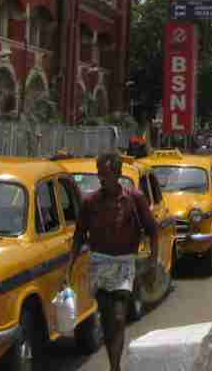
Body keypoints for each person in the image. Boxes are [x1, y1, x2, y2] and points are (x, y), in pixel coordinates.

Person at [70, 152, 157, 371]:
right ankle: (114, 364)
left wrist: (153, 264)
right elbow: (79, 234)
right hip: (99, 264)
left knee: (119, 318)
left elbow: (152, 230)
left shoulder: (134, 199)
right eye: (100, 173)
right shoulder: (90, 202)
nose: (102, 178)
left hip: (124, 265)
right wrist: (70, 266)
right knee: (108, 320)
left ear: (117, 174)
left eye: (106, 174)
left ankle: (114, 368)